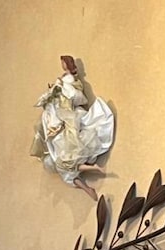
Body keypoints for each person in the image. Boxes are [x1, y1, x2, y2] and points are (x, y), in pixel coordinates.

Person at [30, 55, 114, 200]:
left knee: (66, 162)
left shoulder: (71, 82)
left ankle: (88, 186)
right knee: (64, 165)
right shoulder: (62, 79)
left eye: (63, 63)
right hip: (62, 122)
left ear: (68, 64)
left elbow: (80, 97)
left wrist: (63, 89)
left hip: (70, 119)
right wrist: (54, 92)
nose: (62, 65)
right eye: (62, 63)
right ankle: (88, 187)